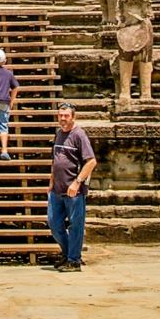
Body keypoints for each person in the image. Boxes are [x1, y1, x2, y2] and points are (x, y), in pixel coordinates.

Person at [47, 101, 96, 271]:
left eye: (66, 116)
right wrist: (52, 181)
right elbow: (56, 159)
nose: (63, 119)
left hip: (74, 190)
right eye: (60, 116)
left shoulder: (79, 135)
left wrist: (77, 182)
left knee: (76, 225)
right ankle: (69, 254)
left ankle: (74, 260)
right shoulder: (59, 133)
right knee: (54, 224)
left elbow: (91, 162)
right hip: (57, 189)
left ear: (73, 117)